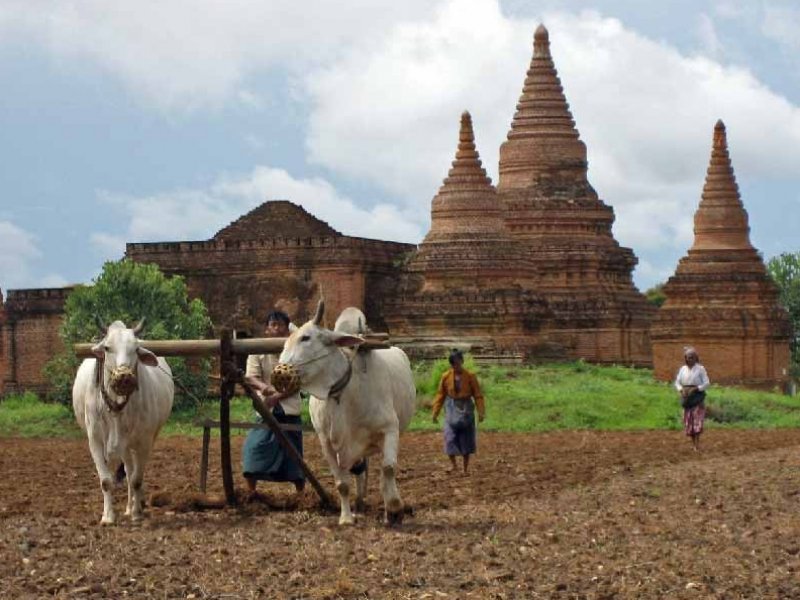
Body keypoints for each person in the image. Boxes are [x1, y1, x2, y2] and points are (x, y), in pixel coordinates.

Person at [242, 310, 305, 497]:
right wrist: (264, 388)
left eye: (280, 325)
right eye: (273, 325)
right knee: (254, 448)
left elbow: (297, 382)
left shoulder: (296, 352)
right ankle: (250, 492)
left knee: (293, 456)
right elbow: (251, 377)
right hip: (265, 410)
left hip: (289, 409)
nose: (276, 329)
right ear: (267, 329)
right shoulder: (257, 350)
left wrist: (276, 397)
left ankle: (301, 493)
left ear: (287, 330)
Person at [431, 349, 486, 475]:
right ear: (451, 364)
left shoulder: (470, 376)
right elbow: (440, 395)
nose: (457, 366)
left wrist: (481, 412)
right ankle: (454, 466)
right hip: (451, 407)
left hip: (466, 407)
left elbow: (478, 395)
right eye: (454, 364)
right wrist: (435, 412)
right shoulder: (446, 377)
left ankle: (465, 469)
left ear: (462, 361)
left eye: (458, 363)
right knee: (450, 437)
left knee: (466, 438)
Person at [675, 347, 710, 452]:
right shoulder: (682, 369)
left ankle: (697, 445)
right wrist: (681, 390)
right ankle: (693, 442)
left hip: (697, 397)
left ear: (696, 358)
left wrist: (695, 389)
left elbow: (707, 383)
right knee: (688, 421)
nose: (690, 359)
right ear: (685, 358)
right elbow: (677, 382)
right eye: (688, 357)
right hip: (686, 397)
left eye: (692, 357)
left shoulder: (700, 369)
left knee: (697, 421)